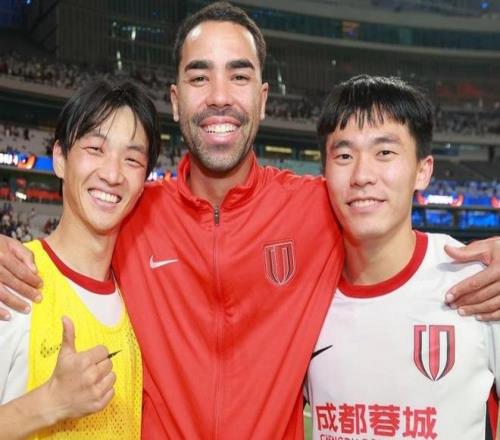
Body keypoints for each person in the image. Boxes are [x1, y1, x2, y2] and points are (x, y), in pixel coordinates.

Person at [0, 2, 500, 439]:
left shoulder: (319, 205)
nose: (219, 95)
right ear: (175, 100)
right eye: (200, 77)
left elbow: (387, 225)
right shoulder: (134, 210)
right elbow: (73, 245)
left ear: (262, 99)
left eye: (238, 76)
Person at [305, 75, 499, 439]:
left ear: (423, 171)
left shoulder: (480, 285)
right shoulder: (300, 298)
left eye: (384, 153)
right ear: (323, 173)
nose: (362, 175)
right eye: (344, 156)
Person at [0, 78, 160, 439]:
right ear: (60, 158)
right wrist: (50, 403)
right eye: (95, 149)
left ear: (144, 182)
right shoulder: (14, 283)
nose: (112, 174)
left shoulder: (141, 302)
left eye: (132, 159)